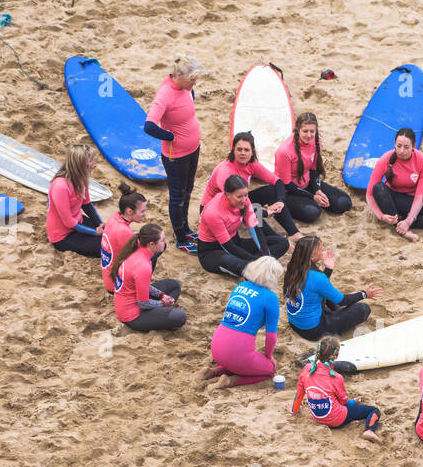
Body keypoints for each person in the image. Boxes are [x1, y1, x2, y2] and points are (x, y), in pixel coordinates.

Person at [145, 56, 205, 254]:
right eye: (192, 79)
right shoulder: (165, 94)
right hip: (175, 156)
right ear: (178, 75)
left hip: (192, 149)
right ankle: (180, 238)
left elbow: (189, 98)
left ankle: (186, 228)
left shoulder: (185, 88)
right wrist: (170, 136)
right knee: (178, 196)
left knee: (188, 190)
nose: (194, 83)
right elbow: (149, 126)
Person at [197, 256, 284, 388]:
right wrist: (269, 356)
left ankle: (214, 371)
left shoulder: (240, 286)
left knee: (239, 362)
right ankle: (229, 381)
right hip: (237, 352)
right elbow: (271, 335)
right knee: (269, 370)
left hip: (217, 346)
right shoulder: (270, 297)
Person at [200, 131, 300, 240]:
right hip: (216, 208)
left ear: (252, 152)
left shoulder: (251, 164)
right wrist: (266, 213)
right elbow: (240, 205)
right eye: (239, 149)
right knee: (253, 210)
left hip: (238, 199)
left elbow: (277, 182)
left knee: (271, 191)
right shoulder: (226, 171)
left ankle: (293, 232)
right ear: (233, 150)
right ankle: (274, 238)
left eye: (246, 150)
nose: (243, 153)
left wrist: (280, 201)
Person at [282, 235, 380, 340]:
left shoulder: (293, 269)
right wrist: (364, 293)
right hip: (314, 331)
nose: (323, 250)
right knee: (363, 309)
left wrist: (328, 269)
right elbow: (342, 301)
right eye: (320, 249)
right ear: (311, 257)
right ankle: (336, 314)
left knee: (324, 293)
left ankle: (335, 312)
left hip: (295, 324)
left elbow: (317, 287)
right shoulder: (317, 278)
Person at [291, 336, 382, 443]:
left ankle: (350, 417)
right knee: (374, 410)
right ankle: (369, 430)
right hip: (337, 420)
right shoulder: (336, 377)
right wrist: (352, 402)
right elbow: (343, 402)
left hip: (317, 417)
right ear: (336, 356)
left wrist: (294, 410)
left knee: (335, 400)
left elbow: (299, 393)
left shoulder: (306, 369)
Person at [197, 176, 288, 278]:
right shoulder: (213, 212)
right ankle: (257, 267)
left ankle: (258, 267)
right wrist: (257, 261)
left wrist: (266, 256)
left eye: (246, 195)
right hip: (212, 252)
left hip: (236, 242)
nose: (244, 199)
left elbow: (255, 229)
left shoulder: (245, 200)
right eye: (239, 197)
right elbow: (228, 247)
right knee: (231, 261)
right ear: (227, 195)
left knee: (282, 242)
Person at [367, 128, 423, 241]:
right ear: (394, 144)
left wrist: (408, 221)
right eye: (399, 146)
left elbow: (420, 196)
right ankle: (402, 230)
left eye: (406, 147)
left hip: (409, 201)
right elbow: (369, 193)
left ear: (413, 147)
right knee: (378, 188)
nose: (401, 151)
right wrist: (381, 216)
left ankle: (401, 223)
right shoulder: (385, 160)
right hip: (389, 198)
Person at [275, 112, 352, 223]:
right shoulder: (284, 152)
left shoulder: (315, 142)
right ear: (297, 130)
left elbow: (314, 170)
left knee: (344, 203)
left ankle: (313, 200)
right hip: (289, 191)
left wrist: (318, 190)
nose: (309, 135)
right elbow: (287, 184)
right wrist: (312, 197)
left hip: (307, 185)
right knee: (313, 213)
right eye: (305, 131)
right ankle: (305, 203)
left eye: (312, 131)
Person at [110, 224, 186, 333]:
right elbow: (143, 304)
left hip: (128, 301)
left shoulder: (138, 251)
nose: (165, 243)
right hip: (132, 316)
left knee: (174, 285)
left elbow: (143, 286)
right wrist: (163, 303)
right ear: (151, 244)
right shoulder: (143, 266)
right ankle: (160, 317)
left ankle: (161, 313)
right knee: (180, 316)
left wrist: (162, 295)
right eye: (162, 240)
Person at [46, 143, 105, 257]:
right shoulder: (61, 186)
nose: (94, 163)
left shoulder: (81, 178)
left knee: (110, 233)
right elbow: (68, 222)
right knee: (105, 246)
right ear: (81, 164)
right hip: (63, 235)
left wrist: (100, 224)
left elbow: (86, 204)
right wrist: (95, 232)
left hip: (78, 222)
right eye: (91, 160)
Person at [100, 184, 148, 293]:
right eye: (142, 211)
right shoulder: (125, 232)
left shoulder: (115, 217)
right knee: (154, 251)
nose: (144, 215)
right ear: (129, 211)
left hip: (108, 276)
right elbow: (142, 255)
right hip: (116, 285)